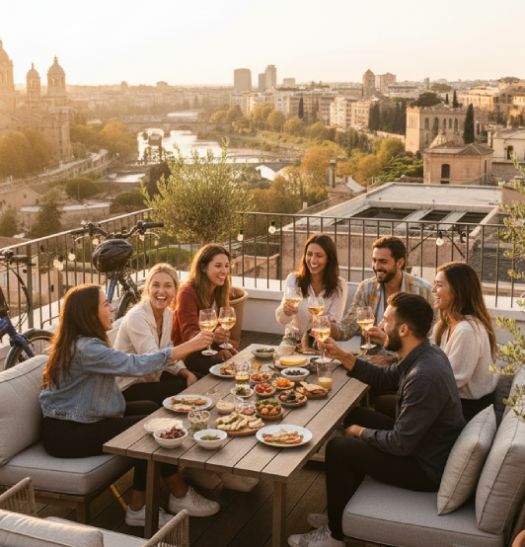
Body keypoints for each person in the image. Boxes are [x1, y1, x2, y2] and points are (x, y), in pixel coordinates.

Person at [288, 293, 465, 547]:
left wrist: (360, 433)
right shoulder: (425, 353)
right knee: (356, 414)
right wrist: (340, 354)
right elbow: (384, 379)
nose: (380, 326)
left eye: (386, 320)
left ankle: (335, 535)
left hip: (425, 467)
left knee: (340, 448)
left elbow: (400, 444)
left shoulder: (424, 376)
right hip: (423, 445)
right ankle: (341, 509)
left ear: (403, 329)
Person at [40, 284, 220, 527]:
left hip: (85, 418)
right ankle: (146, 506)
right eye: (105, 303)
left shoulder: (86, 341)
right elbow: (137, 365)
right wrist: (189, 345)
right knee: (149, 430)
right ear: (89, 313)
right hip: (67, 432)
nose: (111, 306)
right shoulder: (86, 349)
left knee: (152, 411)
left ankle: (175, 489)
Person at [114, 263, 198, 405]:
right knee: (186, 391)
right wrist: (193, 344)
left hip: (150, 378)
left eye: (167, 286)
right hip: (128, 386)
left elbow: (167, 348)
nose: (161, 291)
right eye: (156, 285)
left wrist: (186, 372)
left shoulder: (167, 314)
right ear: (148, 288)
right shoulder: (137, 317)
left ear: (175, 290)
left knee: (196, 379)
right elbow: (154, 359)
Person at [333, 236, 432, 346]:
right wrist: (328, 328)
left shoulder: (422, 290)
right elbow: (348, 327)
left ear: (400, 263)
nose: (376, 266)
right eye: (374, 260)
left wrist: (386, 342)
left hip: (409, 361)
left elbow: (429, 338)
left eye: (383, 262)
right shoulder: (366, 288)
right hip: (372, 358)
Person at [432, 261, 499, 422]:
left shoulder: (466, 330)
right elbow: (429, 358)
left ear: (457, 291)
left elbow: (453, 381)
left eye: (439, 285)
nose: (433, 290)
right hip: (452, 402)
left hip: (465, 410)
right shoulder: (448, 324)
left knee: (383, 400)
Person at [172, 244, 236, 378]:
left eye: (226, 265)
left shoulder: (219, 290)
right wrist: (215, 336)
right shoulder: (187, 292)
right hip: (186, 355)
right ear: (203, 267)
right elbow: (189, 334)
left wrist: (223, 343)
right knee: (226, 367)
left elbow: (219, 326)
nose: (224, 271)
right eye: (218, 266)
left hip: (208, 348)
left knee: (236, 359)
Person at [275, 233, 347, 349]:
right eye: (309, 254)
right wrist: (286, 311)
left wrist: (310, 337)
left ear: (329, 259)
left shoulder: (340, 286)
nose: (313, 260)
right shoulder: (293, 280)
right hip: (293, 338)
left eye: (319, 255)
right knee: (281, 358)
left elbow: (334, 322)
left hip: (321, 339)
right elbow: (282, 320)